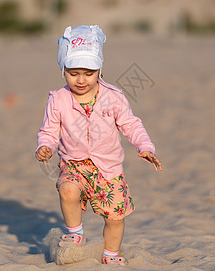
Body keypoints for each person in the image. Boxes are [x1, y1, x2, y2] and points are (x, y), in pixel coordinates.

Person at [35, 25, 162, 266]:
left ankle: (111, 255)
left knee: (115, 217)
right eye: (73, 73)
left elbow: (131, 124)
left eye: (88, 73)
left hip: (108, 169)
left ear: (99, 70)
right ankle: (76, 233)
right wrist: (46, 146)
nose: (81, 80)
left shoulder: (113, 96)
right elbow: (49, 131)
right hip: (74, 164)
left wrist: (145, 146)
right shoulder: (58, 99)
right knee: (67, 190)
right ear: (63, 70)